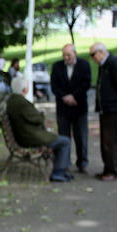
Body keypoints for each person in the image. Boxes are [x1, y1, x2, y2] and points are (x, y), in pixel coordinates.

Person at [6, 76, 72, 182]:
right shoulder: (21, 103)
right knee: (65, 141)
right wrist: (41, 115)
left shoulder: (13, 100)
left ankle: (62, 169)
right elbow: (37, 119)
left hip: (25, 134)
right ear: (24, 89)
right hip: (30, 137)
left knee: (60, 140)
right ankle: (58, 172)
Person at [90, 42, 117, 181]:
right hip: (106, 108)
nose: (92, 58)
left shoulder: (114, 63)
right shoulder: (104, 65)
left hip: (114, 108)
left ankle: (113, 171)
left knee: (111, 140)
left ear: (101, 52)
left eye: (93, 55)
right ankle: (107, 169)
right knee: (106, 140)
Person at [50, 43, 91, 173]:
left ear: (75, 53)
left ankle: (82, 163)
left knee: (81, 137)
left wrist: (74, 96)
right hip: (63, 108)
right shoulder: (57, 66)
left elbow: (86, 83)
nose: (66, 57)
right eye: (64, 55)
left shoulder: (84, 65)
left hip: (79, 107)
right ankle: (64, 163)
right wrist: (65, 97)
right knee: (63, 136)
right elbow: (54, 86)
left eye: (68, 54)